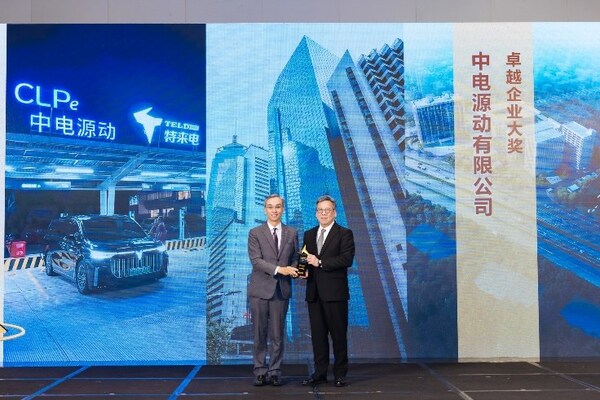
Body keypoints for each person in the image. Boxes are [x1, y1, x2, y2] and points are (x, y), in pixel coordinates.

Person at [301, 195, 355, 388]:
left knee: (338, 335)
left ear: (335, 213)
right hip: (314, 293)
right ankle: (320, 373)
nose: (324, 213)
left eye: (327, 210)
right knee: (318, 336)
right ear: (316, 213)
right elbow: (304, 258)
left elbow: (347, 259)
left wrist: (320, 262)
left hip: (335, 293)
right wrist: (302, 271)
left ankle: (340, 374)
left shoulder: (344, 233)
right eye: (320, 210)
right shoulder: (308, 234)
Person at [247, 194, 299, 387]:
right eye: (270, 207)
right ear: (265, 209)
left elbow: (296, 257)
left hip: (281, 290)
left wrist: (294, 269)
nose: (274, 210)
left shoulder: (292, 232)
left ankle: (275, 371)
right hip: (260, 290)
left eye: (278, 207)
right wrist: (279, 269)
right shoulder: (255, 233)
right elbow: (256, 261)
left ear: (282, 209)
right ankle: (260, 370)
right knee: (259, 334)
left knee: (278, 335)